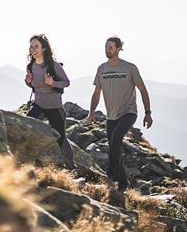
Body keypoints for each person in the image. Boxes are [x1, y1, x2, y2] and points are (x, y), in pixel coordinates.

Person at [87, 35, 153, 190]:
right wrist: (91, 112)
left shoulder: (129, 68)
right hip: (111, 115)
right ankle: (123, 184)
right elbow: (97, 93)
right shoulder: (101, 69)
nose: (107, 50)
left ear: (118, 49)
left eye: (110, 47)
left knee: (116, 139)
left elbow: (143, 89)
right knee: (114, 147)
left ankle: (110, 173)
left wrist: (148, 112)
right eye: (106, 47)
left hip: (128, 112)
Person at [24, 34, 75, 169]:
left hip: (54, 107)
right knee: (27, 128)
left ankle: (71, 166)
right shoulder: (30, 67)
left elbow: (66, 83)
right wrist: (28, 82)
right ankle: (29, 163)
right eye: (31, 46)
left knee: (61, 138)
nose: (33, 49)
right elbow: (34, 86)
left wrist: (52, 83)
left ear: (44, 49)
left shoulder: (53, 66)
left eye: (36, 46)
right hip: (38, 105)